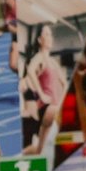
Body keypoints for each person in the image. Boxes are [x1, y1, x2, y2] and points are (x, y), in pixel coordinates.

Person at [20, 23, 66, 156]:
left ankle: (19, 156)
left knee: (39, 150)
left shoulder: (53, 62)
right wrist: (41, 94)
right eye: (46, 34)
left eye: (50, 34)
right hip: (46, 107)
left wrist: (61, 102)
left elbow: (64, 83)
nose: (50, 37)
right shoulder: (39, 57)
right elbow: (30, 70)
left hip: (54, 106)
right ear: (40, 40)